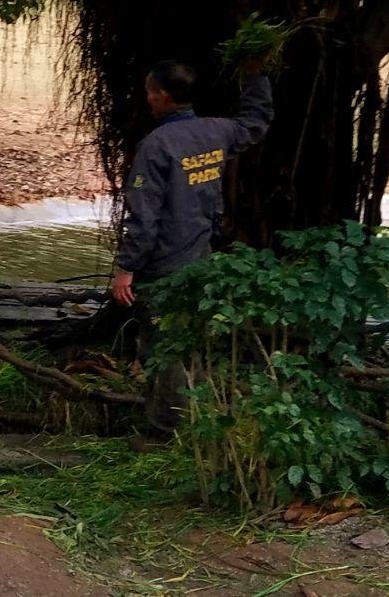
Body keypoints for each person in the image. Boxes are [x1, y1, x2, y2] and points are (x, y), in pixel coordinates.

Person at [112, 58, 274, 429]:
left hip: (164, 265)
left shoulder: (156, 146)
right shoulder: (216, 132)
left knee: (162, 347)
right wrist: (255, 76)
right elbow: (256, 121)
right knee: (191, 342)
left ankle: (166, 431)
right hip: (200, 258)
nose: (148, 100)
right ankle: (196, 422)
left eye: (150, 93)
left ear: (164, 97)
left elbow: (144, 217)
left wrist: (126, 268)